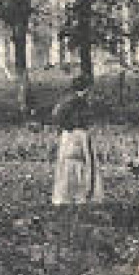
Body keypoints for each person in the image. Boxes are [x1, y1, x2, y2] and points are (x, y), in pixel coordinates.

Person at [51, 76, 99, 205]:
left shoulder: (71, 100)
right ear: (85, 88)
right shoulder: (75, 101)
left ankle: (73, 194)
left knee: (73, 163)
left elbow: (56, 115)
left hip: (73, 134)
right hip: (76, 134)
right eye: (88, 88)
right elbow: (58, 115)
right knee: (79, 162)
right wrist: (70, 126)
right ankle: (77, 194)